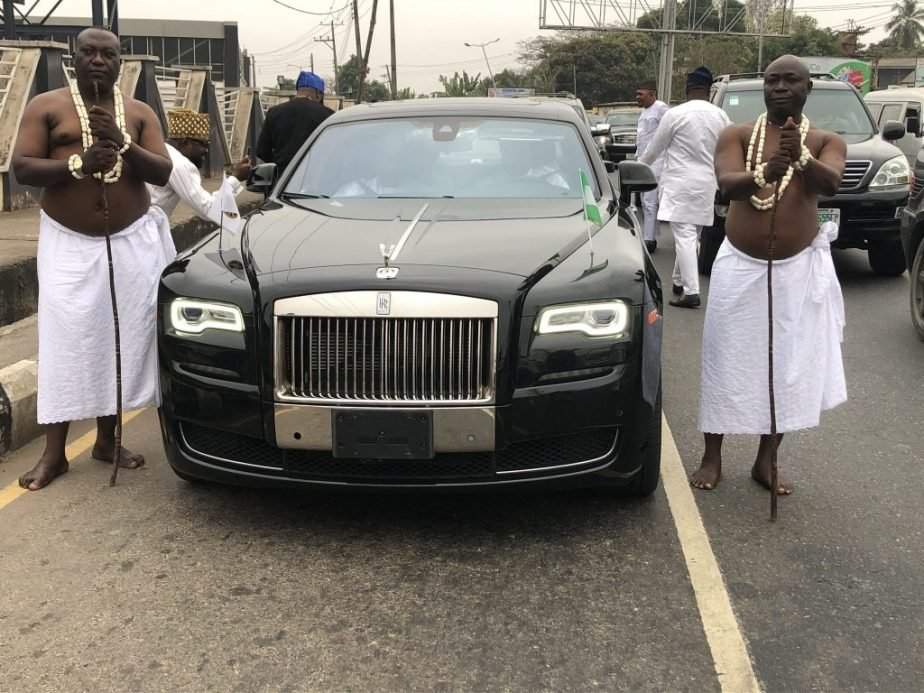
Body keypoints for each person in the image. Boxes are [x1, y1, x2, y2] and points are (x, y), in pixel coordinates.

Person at [11, 27, 174, 490]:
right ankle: (54, 454)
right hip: (68, 241)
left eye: (108, 54)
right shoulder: (46, 106)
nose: (98, 60)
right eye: (89, 53)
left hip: (130, 241)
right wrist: (77, 163)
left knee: (119, 337)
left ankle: (106, 440)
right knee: (65, 338)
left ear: (121, 63)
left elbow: (163, 170)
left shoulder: (139, 113)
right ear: (74, 58)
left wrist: (123, 143)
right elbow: (22, 168)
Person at [691, 55, 847, 494]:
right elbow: (728, 183)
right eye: (772, 80)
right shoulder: (737, 134)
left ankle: (766, 460)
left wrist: (801, 159)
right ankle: (712, 454)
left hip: (797, 269)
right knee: (726, 356)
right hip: (740, 264)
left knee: (785, 366)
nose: (780, 87)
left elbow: (830, 183)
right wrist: (764, 172)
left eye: (791, 80)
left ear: (807, 88)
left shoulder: (825, 140)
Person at [639, 66, 730, 308]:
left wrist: (639, 166)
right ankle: (679, 282)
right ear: (709, 89)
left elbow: (654, 149)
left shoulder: (676, 114)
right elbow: (729, 148)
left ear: (688, 88)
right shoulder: (721, 116)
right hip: (707, 183)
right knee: (691, 235)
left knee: (685, 236)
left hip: (680, 183)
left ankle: (691, 292)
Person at [149, 108, 251, 219]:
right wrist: (236, 178)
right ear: (185, 142)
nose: (206, 150)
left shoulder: (162, 150)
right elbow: (209, 209)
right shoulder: (179, 164)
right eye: (203, 144)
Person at [256, 70, 333, 174]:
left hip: (283, 180)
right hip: (316, 178)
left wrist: (280, 163)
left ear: (298, 91)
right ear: (318, 95)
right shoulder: (328, 115)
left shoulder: (274, 112)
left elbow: (262, 152)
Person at [634, 81, 669, 254]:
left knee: (650, 201)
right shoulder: (644, 112)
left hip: (656, 163)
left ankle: (649, 239)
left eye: (641, 94)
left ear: (652, 94)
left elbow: (668, 133)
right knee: (646, 201)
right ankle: (651, 237)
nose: (637, 97)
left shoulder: (661, 109)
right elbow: (643, 138)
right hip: (643, 162)